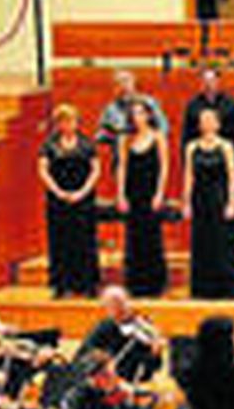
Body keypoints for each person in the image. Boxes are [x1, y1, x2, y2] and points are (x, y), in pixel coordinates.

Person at [38, 105, 102, 299]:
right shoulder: (49, 145)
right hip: (58, 200)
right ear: (57, 124)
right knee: (60, 241)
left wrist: (82, 192)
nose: (67, 125)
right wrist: (58, 192)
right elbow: (42, 170)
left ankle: (87, 284)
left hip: (83, 199)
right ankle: (62, 285)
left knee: (84, 240)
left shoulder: (86, 144)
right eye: (63, 121)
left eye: (71, 120)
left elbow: (95, 169)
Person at [184, 108, 234, 299]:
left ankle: (226, 289)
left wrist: (232, 203)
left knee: (223, 243)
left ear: (218, 124)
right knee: (202, 243)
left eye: (210, 119)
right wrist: (186, 202)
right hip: (200, 200)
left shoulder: (226, 146)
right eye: (203, 120)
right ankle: (203, 289)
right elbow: (188, 176)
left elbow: (233, 177)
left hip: (220, 199)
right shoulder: (192, 147)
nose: (207, 123)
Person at [117, 100, 170, 298]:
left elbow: (164, 167)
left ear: (149, 115)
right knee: (133, 237)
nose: (137, 117)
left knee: (152, 237)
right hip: (133, 193)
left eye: (141, 113)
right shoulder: (125, 139)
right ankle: (135, 283)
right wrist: (121, 194)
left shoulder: (158, 137)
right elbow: (121, 167)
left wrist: (159, 193)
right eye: (134, 114)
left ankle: (155, 284)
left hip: (151, 193)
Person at [78, 285, 165, 385]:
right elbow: (84, 356)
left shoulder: (144, 327)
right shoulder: (102, 328)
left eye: (122, 302)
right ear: (107, 308)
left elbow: (153, 368)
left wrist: (155, 352)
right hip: (106, 382)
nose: (121, 307)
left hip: (134, 381)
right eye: (114, 304)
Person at [181, 68, 234, 162]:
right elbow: (187, 136)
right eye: (205, 80)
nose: (208, 84)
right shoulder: (193, 106)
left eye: (211, 80)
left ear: (218, 81)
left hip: (225, 156)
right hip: (200, 158)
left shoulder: (230, 105)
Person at [96, 70, 170, 151]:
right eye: (118, 83)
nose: (123, 85)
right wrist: (117, 134)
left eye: (126, 80)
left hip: (147, 154)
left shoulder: (149, 103)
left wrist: (147, 139)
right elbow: (100, 135)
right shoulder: (111, 109)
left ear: (134, 83)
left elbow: (164, 128)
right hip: (122, 155)